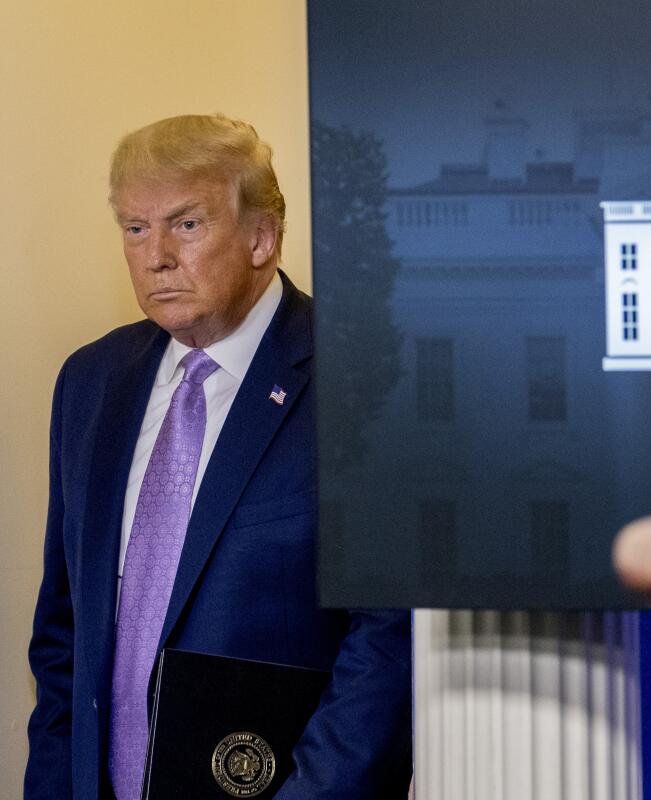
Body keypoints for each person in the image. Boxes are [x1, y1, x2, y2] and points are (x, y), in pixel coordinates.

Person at [25, 114, 412, 799]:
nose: (156, 256)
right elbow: (63, 638)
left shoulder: (366, 379)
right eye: (135, 228)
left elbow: (386, 640)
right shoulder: (90, 381)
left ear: (262, 237)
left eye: (187, 224)